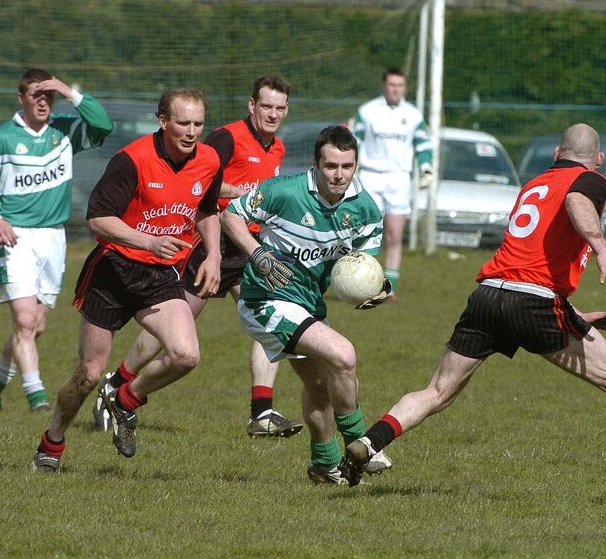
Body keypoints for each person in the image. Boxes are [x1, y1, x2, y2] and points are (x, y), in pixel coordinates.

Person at [340, 124, 606, 501]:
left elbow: (527, 264)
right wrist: (603, 251)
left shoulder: (534, 185)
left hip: (489, 296)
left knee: (437, 390)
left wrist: (575, 315)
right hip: (534, 302)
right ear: (598, 161)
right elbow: (575, 203)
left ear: (556, 154)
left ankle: (369, 443)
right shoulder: (591, 181)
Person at [93, 75, 303, 438]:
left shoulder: (278, 148)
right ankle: (117, 382)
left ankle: (261, 412)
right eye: (266, 106)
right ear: (251, 106)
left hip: (248, 248)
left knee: (268, 321)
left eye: (280, 108)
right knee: (174, 326)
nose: (273, 114)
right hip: (211, 244)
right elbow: (204, 178)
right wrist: (248, 194)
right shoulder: (227, 137)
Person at [32, 88, 222, 472]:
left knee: (186, 355)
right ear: (162, 120)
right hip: (114, 272)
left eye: (198, 124)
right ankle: (52, 441)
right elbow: (98, 220)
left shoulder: (208, 160)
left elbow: (207, 209)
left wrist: (214, 255)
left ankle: (124, 400)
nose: (191, 132)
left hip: (159, 275)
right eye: (183, 123)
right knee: (87, 374)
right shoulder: (133, 160)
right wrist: (149, 240)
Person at [220, 125, 394, 484]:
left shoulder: (365, 209)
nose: (339, 174)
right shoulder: (284, 191)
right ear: (316, 163)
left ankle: (324, 466)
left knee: (319, 385)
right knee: (344, 356)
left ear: (356, 164)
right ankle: (362, 444)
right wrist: (258, 254)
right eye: (330, 166)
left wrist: (373, 289)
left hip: (309, 304)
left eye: (347, 166)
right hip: (264, 300)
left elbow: (361, 267)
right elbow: (230, 216)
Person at [0, 68, 113, 412]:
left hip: (53, 239)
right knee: (25, 321)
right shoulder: (1, 138)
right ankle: (39, 399)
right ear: (21, 98)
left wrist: (68, 90)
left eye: (49, 96)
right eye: (36, 95)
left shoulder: (64, 131)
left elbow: (103, 126)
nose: (43, 102)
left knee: (36, 325)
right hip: (15, 237)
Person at [352, 67, 433, 301]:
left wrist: (426, 167)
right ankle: (361, 283)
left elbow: (423, 145)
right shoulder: (367, 112)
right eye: (391, 84)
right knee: (367, 232)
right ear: (384, 85)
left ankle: (389, 288)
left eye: (400, 85)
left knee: (394, 234)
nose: (395, 89)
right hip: (371, 176)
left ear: (404, 87)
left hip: (399, 178)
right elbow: (354, 141)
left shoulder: (413, 115)